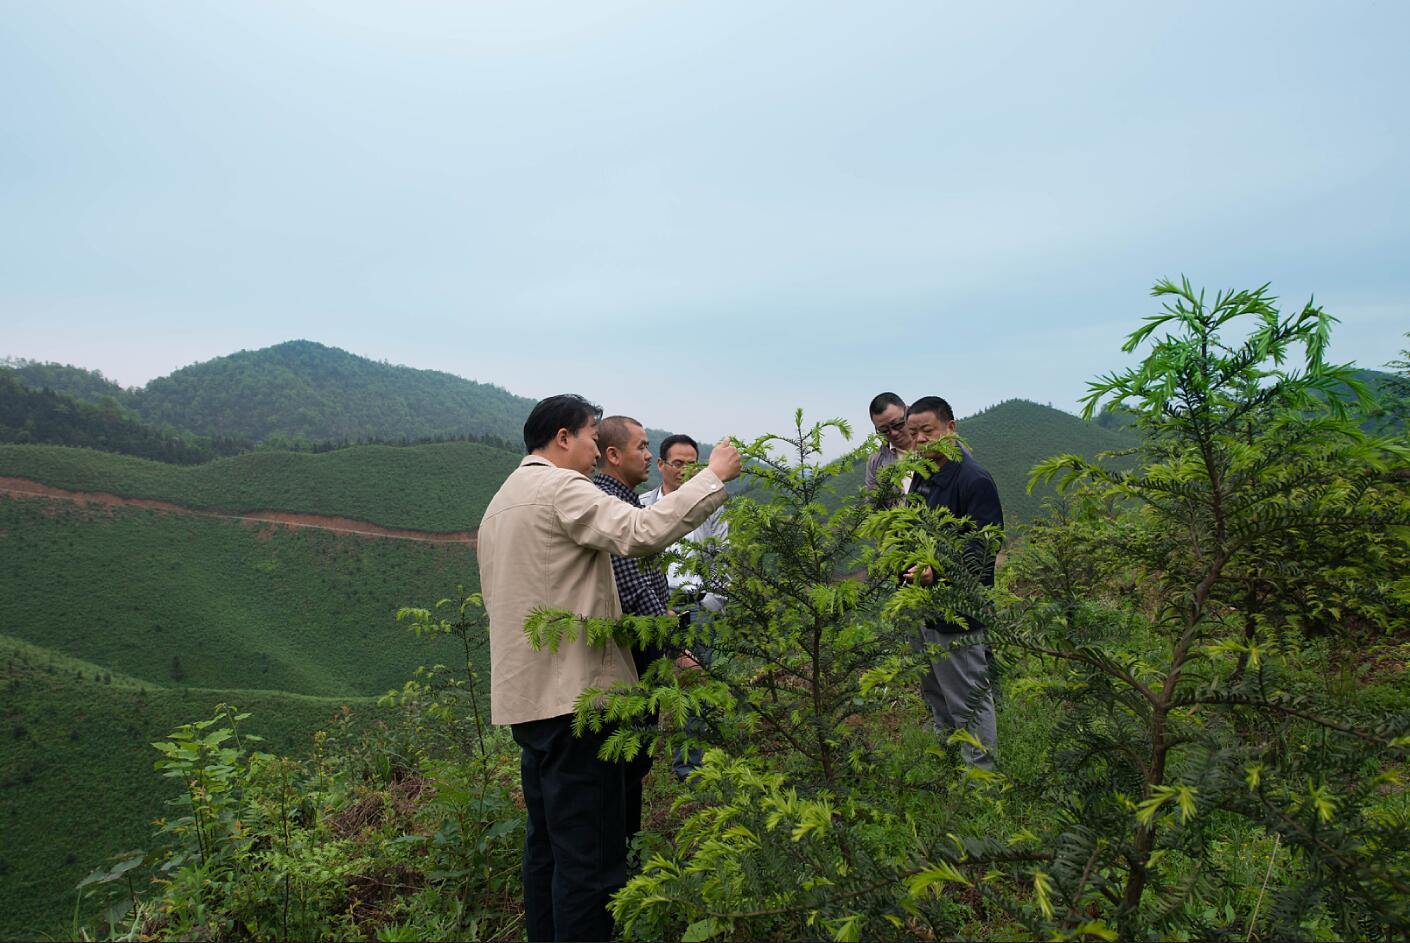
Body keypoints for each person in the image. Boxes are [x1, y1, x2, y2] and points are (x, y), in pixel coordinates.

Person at [478, 394, 741, 942]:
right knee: (591, 860)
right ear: (563, 438)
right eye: (592, 437)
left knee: (547, 847)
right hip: (580, 700)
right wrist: (712, 477)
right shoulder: (562, 487)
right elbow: (639, 532)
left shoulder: (500, 503)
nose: (597, 450)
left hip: (527, 700)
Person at [903, 395, 1003, 770]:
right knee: (935, 690)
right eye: (914, 433)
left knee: (968, 698)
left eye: (928, 431)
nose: (920, 440)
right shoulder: (923, 474)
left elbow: (985, 545)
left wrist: (939, 570)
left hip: (960, 610)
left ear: (951, 428)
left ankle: (981, 779)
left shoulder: (973, 479)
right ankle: (949, 761)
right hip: (924, 604)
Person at [591, 415, 670, 847]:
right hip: (632, 650)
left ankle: (626, 847)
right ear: (613, 455)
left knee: (634, 757)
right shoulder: (610, 504)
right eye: (641, 446)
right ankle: (620, 852)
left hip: (640, 642)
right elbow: (630, 585)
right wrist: (669, 637)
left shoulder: (626, 501)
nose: (647, 455)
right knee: (628, 756)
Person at [639, 433, 728, 778]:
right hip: (652, 605)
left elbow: (723, 557)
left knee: (694, 691)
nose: (685, 470)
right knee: (646, 684)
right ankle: (637, 763)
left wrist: (712, 604)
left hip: (696, 606)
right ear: (661, 465)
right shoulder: (642, 505)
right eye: (678, 463)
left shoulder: (712, 505)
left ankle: (690, 769)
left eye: (693, 464)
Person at [864, 391, 914, 505]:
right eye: (884, 430)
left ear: (908, 412)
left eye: (898, 424)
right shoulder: (876, 461)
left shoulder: (933, 443)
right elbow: (872, 505)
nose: (893, 433)